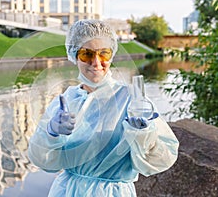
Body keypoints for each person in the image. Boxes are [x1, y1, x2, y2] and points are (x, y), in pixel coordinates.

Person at [28, 19, 179, 197]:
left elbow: (162, 159)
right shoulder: (65, 101)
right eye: (87, 54)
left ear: (111, 55)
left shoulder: (132, 99)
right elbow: (43, 162)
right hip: (67, 191)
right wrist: (51, 133)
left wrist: (145, 134)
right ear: (74, 56)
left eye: (104, 54)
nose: (96, 62)